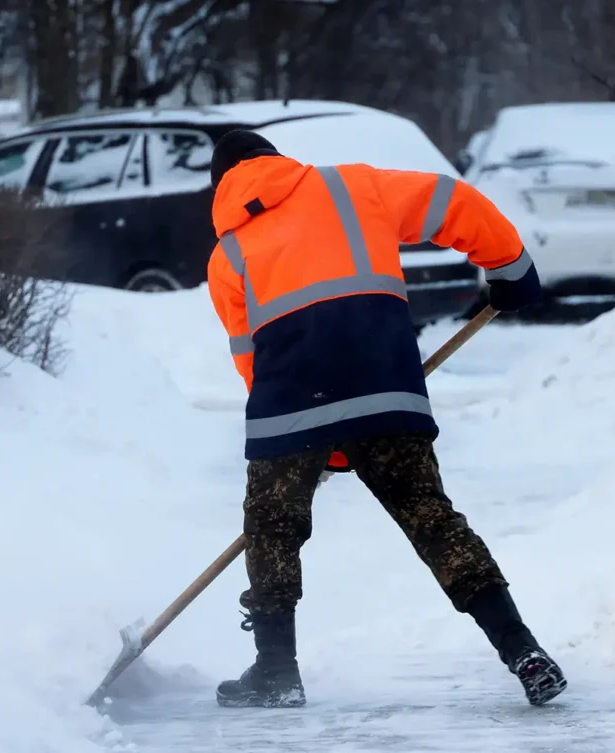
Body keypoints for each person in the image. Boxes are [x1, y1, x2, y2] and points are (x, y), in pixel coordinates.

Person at [205, 129, 566, 710]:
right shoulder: (353, 188)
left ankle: (276, 673)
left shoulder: (227, 256)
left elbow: (251, 362)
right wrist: (510, 269)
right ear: (277, 160)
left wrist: (315, 440)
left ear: (220, 187)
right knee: (432, 519)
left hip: (289, 403)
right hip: (384, 386)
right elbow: (454, 202)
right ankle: (523, 651)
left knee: (271, 527)